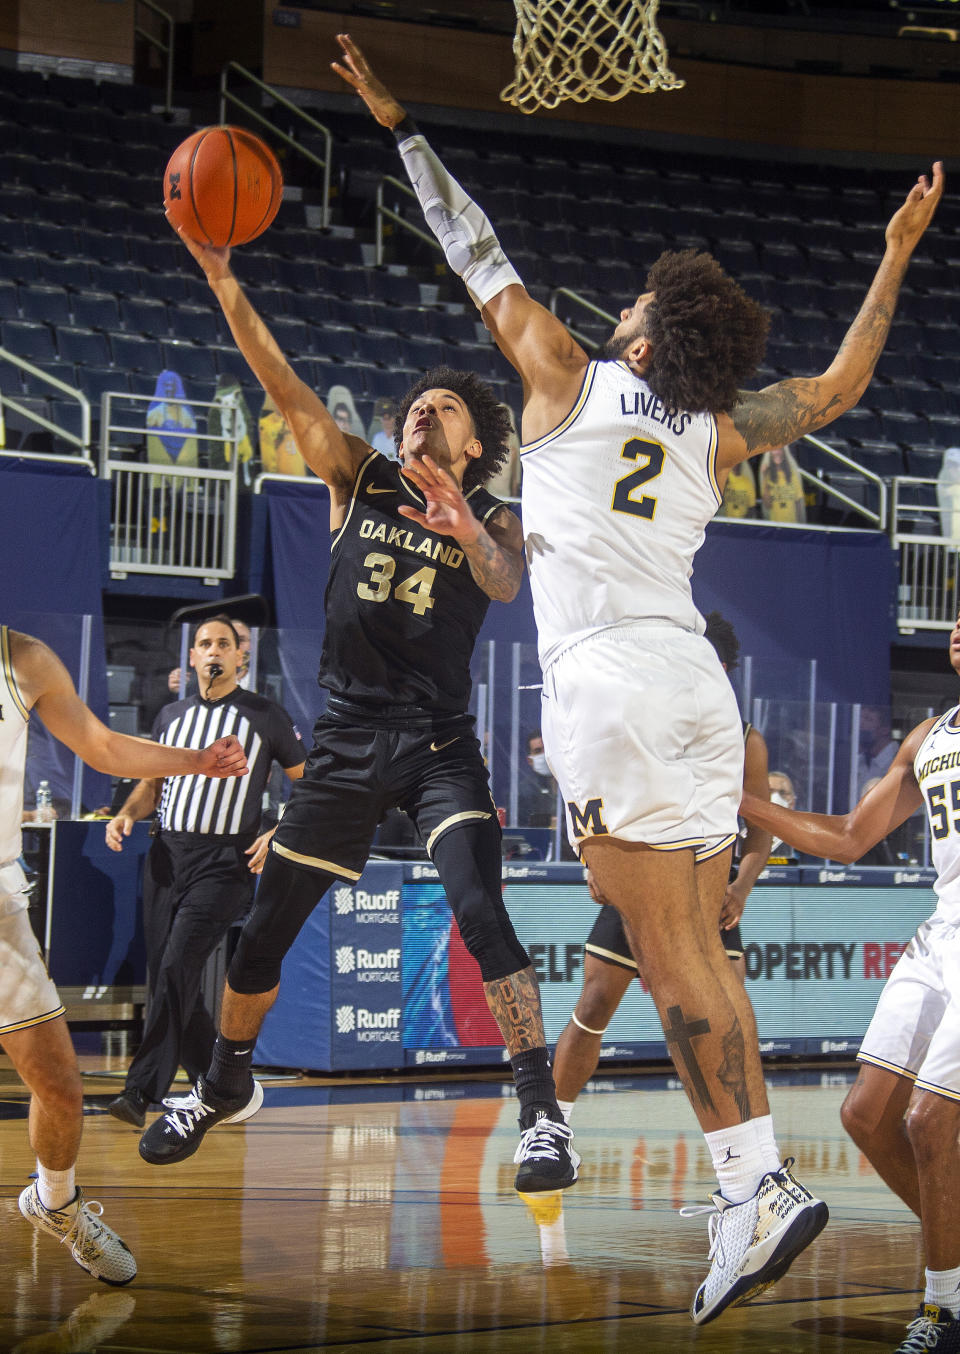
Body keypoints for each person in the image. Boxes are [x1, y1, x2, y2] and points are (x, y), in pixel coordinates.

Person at [332, 32, 942, 1323]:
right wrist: (893, 253)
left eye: (636, 310)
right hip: (695, 684)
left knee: (668, 957)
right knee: (701, 947)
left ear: (648, 339)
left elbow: (474, 248)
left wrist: (399, 129)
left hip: (609, 679)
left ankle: (757, 1190)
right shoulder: (719, 433)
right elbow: (835, 389)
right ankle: (754, 1183)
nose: (619, 310)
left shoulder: (564, 375)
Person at [137, 220, 578, 1196]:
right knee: (260, 936)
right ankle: (221, 1082)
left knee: (479, 907)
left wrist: (467, 526)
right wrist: (221, 279)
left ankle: (543, 1112)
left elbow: (505, 583)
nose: (425, 408)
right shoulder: (360, 477)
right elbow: (282, 381)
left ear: (476, 440)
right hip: (340, 740)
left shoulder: (495, 521)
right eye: (417, 401)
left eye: (446, 404)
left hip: (436, 746)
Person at [740, 610, 960, 1353]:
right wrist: (736, 801)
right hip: (941, 935)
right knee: (868, 1116)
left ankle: (943, 1310)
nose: (959, 626)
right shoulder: (928, 739)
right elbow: (848, 837)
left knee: (932, 1120)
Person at [0, 624, 246, 1285]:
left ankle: (58, 1205)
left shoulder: (22, 656)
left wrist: (195, 762)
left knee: (59, 1086)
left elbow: (102, 747)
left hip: (0, 913)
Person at [552, 612, 772, 1116]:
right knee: (593, 1004)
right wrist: (595, 861)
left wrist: (741, 887)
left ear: (720, 666)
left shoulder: (744, 740)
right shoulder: (640, 721)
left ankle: (744, 1162)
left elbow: (761, 831)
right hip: (642, 881)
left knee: (727, 1019)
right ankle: (552, 1130)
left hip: (709, 892)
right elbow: (594, 792)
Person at [104, 617, 304, 1128]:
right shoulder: (171, 715)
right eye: (203, 644)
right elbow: (152, 783)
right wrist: (127, 813)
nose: (212, 651)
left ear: (241, 657)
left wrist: (279, 829)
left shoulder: (265, 716)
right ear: (191, 657)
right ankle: (218, 1086)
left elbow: (310, 785)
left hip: (224, 861)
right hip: (166, 856)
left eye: (223, 643)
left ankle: (139, 1090)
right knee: (170, 976)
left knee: (176, 967)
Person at [517, 729, 558, 828]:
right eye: (538, 751)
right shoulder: (524, 791)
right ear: (530, 760)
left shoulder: (570, 782)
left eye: (547, 748)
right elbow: (523, 826)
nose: (545, 754)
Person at [858, 704, 899, 794]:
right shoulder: (860, 760)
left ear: (885, 729)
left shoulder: (899, 762)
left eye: (868, 719)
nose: (860, 724)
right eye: (860, 718)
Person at [759, 443, 805, 523]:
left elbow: (798, 503)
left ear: (784, 453)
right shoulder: (767, 478)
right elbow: (767, 505)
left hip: (792, 524)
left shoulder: (793, 475)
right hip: (776, 526)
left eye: (779, 449)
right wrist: (764, 477)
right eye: (773, 450)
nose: (777, 452)